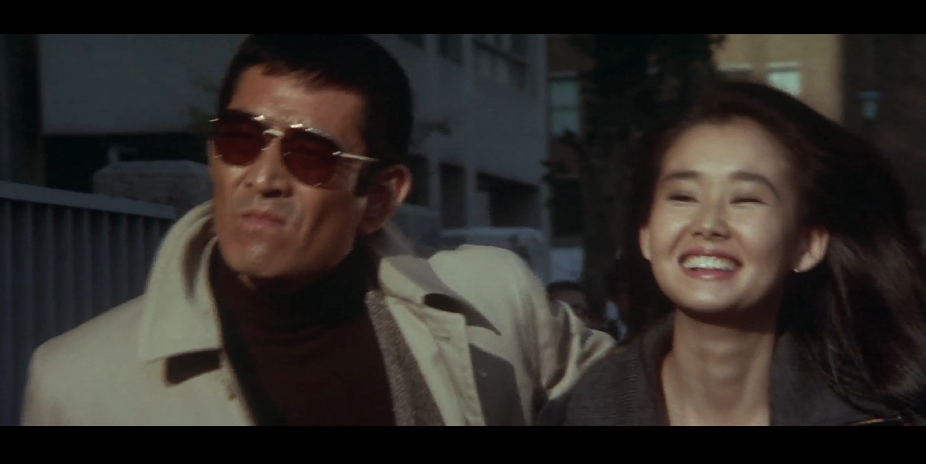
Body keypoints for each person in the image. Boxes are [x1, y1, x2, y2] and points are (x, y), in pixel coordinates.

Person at [21, 34, 615, 426]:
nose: (263, 178)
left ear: (379, 198)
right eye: (240, 140)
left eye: (310, 156)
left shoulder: (493, 304)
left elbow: (644, 395)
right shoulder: (79, 383)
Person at [541, 80, 926, 426]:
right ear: (646, 235)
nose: (709, 224)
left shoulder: (878, 418)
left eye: (745, 199)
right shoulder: (575, 415)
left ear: (806, 245)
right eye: (683, 196)